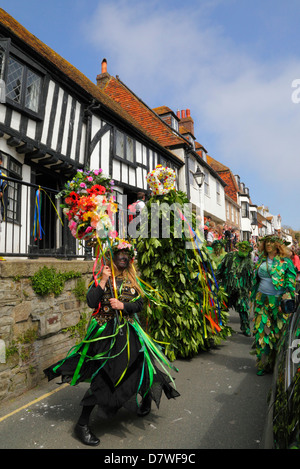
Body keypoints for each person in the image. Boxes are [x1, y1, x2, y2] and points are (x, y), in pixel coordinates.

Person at [44, 239, 179, 446]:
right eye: (120, 254)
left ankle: (147, 399)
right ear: (112, 256)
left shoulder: (133, 279)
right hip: (104, 334)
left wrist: (123, 305)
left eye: (127, 255)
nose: (124, 258)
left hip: (128, 333)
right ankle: (82, 424)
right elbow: (91, 302)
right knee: (103, 376)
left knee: (140, 367)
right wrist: (104, 280)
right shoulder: (101, 276)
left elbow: (140, 304)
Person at [251, 235, 297, 376]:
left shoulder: (286, 262)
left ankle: (277, 363)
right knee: (262, 332)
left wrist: (284, 299)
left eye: (272, 242)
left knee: (278, 333)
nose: (269, 244)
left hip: (278, 302)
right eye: (267, 242)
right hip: (261, 300)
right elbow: (256, 280)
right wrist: (252, 294)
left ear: (278, 245)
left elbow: (290, 283)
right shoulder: (261, 260)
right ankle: (263, 364)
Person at [216, 241, 254, 336]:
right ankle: (220, 326)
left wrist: (250, 289)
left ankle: (245, 328)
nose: (244, 249)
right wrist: (216, 279)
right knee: (223, 306)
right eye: (242, 247)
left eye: (246, 248)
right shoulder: (230, 256)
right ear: (239, 247)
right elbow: (221, 268)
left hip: (242, 290)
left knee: (243, 308)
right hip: (227, 288)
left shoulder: (248, 261)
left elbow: (250, 277)